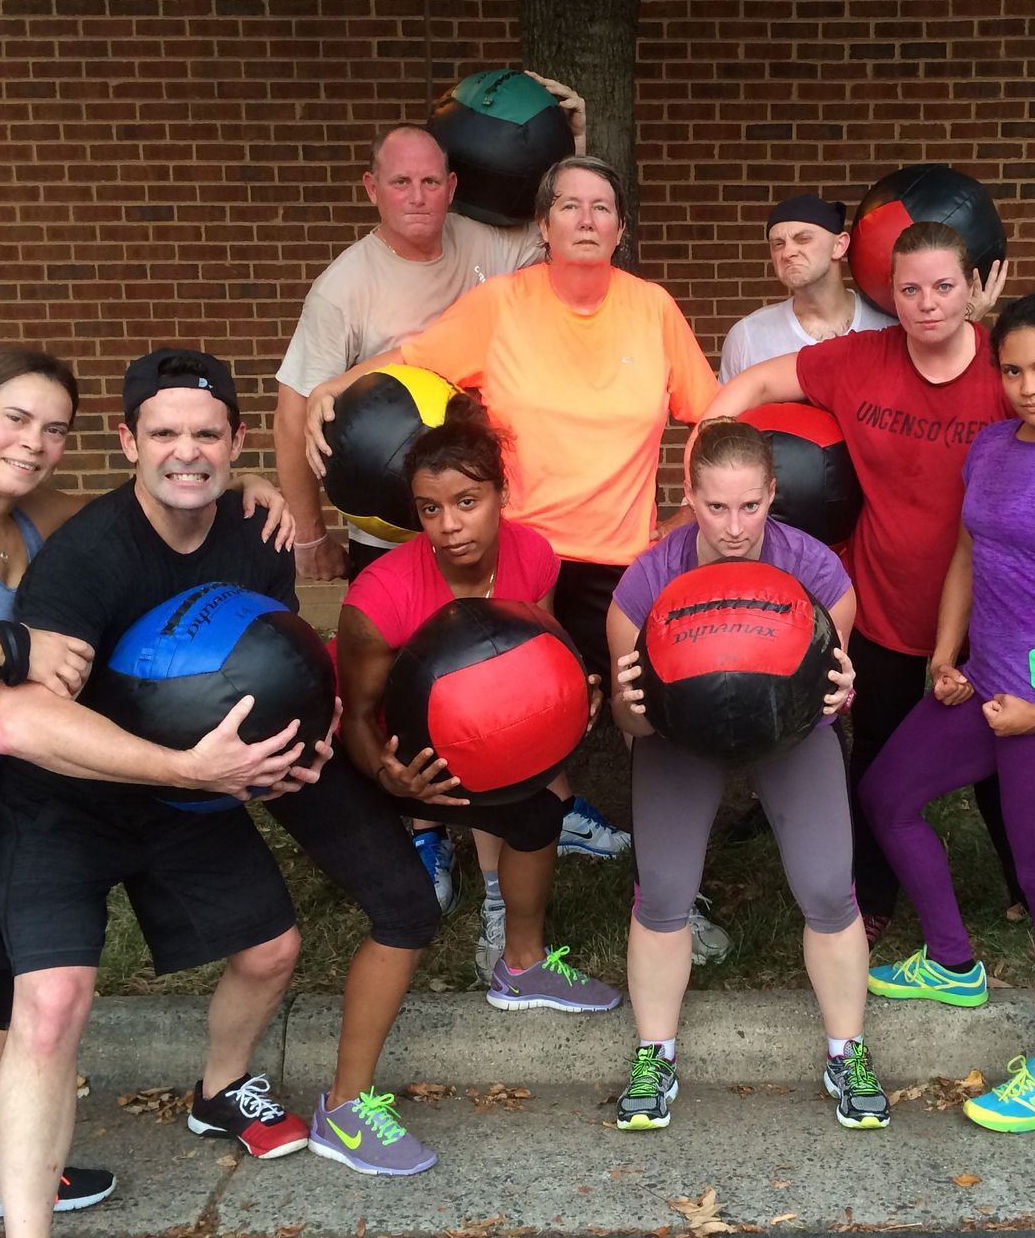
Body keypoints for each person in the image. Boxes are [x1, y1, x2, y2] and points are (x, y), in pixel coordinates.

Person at [0, 349, 292, 1238]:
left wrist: (246, 477)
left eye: (52, 428)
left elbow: (161, 491)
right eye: (13, 419)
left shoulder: (24, 516)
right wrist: (5, 645)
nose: (33, 444)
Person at [0, 347, 431, 1231]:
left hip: (186, 793)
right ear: (127, 442)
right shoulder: (87, 557)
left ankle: (220, 1089)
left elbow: (272, 661)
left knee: (269, 952)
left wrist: (302, 737)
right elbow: (16, 723)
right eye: (163, 434)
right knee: (53, 1004)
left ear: (235, 444)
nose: (185, 452)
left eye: (205, 434)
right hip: (64, 799)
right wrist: (190, 770)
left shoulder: (252, 532)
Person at [303, 155, 722, 939]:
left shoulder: (653, 308)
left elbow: (710, 411)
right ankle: (502, 897)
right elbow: (412, 360)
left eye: (603, 207)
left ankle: (667, 897)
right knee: (499, 724)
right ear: (543, 224)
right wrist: (336, 384)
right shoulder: (499, 304)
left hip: (620, 560)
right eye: (569, 205)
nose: (587, 219)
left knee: (652, 719)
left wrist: (689, 516)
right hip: (516, 558)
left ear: (621, 228)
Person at [705, 222, 1035, 954]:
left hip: (996, 609)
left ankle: (1032, 891)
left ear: (974, 288)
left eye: (945, 286)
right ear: (890, 295)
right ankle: (872, 893)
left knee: (1010, 761)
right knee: (875, 756)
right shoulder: (859, 359)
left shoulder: (1005, 375)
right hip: (884, 602)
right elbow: (754, 383)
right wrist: (706, 457)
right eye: (909, 289)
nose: (927, 304)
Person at [275, 83, 586, 909]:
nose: (418, 197)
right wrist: (310, 530)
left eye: (432, 181)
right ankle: (421, 831)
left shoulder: (487, 243)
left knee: (488, 670)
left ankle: (521, 795)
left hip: (477, 504)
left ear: (455, 185)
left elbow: (569, 235)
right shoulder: (346, 285)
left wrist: (569, 141)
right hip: (392, 520)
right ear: (371, 189)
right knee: (404, 678)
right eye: (400, 182)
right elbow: (296, 408)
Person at [860, 292, 1035, 1132]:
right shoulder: (989, 445)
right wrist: (944, 656)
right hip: (983, 686)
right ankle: (953, 959)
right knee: (886, 797)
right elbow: (966, 553)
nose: (1028, 387)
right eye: (1014, 370)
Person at [605, 419, 887, 1132]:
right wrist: (631, 704)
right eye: (716, 507)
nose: (734, 527)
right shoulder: (647, 582)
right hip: (680, 736)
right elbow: (630, 722)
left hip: (787, 731)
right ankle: (654, 1056)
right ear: (690, 497)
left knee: (828, 886)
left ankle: (846, 1052)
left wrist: (840, 692)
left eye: (750, 506)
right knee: (665, 890)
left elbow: (833, 694)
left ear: (772, 495)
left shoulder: (819, 572)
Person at [336, 394, 622, 1006]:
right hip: (414, 760)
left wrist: (577, 697)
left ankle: (520, 964)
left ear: (501, 495)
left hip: (492, 735)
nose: (449, 525)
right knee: (407, 909)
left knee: (538, 815)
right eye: (430, 509)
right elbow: (358, 718)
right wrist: (392, 779)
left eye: (468, 502)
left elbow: (545, 652)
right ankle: (426, 839)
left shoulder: (533, 555)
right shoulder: (378, 596)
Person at [716, 194, 895, 382]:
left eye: (803, 239)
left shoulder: (889, 326)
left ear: (839, 245)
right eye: (778, 244)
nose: (787, 253)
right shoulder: (748, 337)